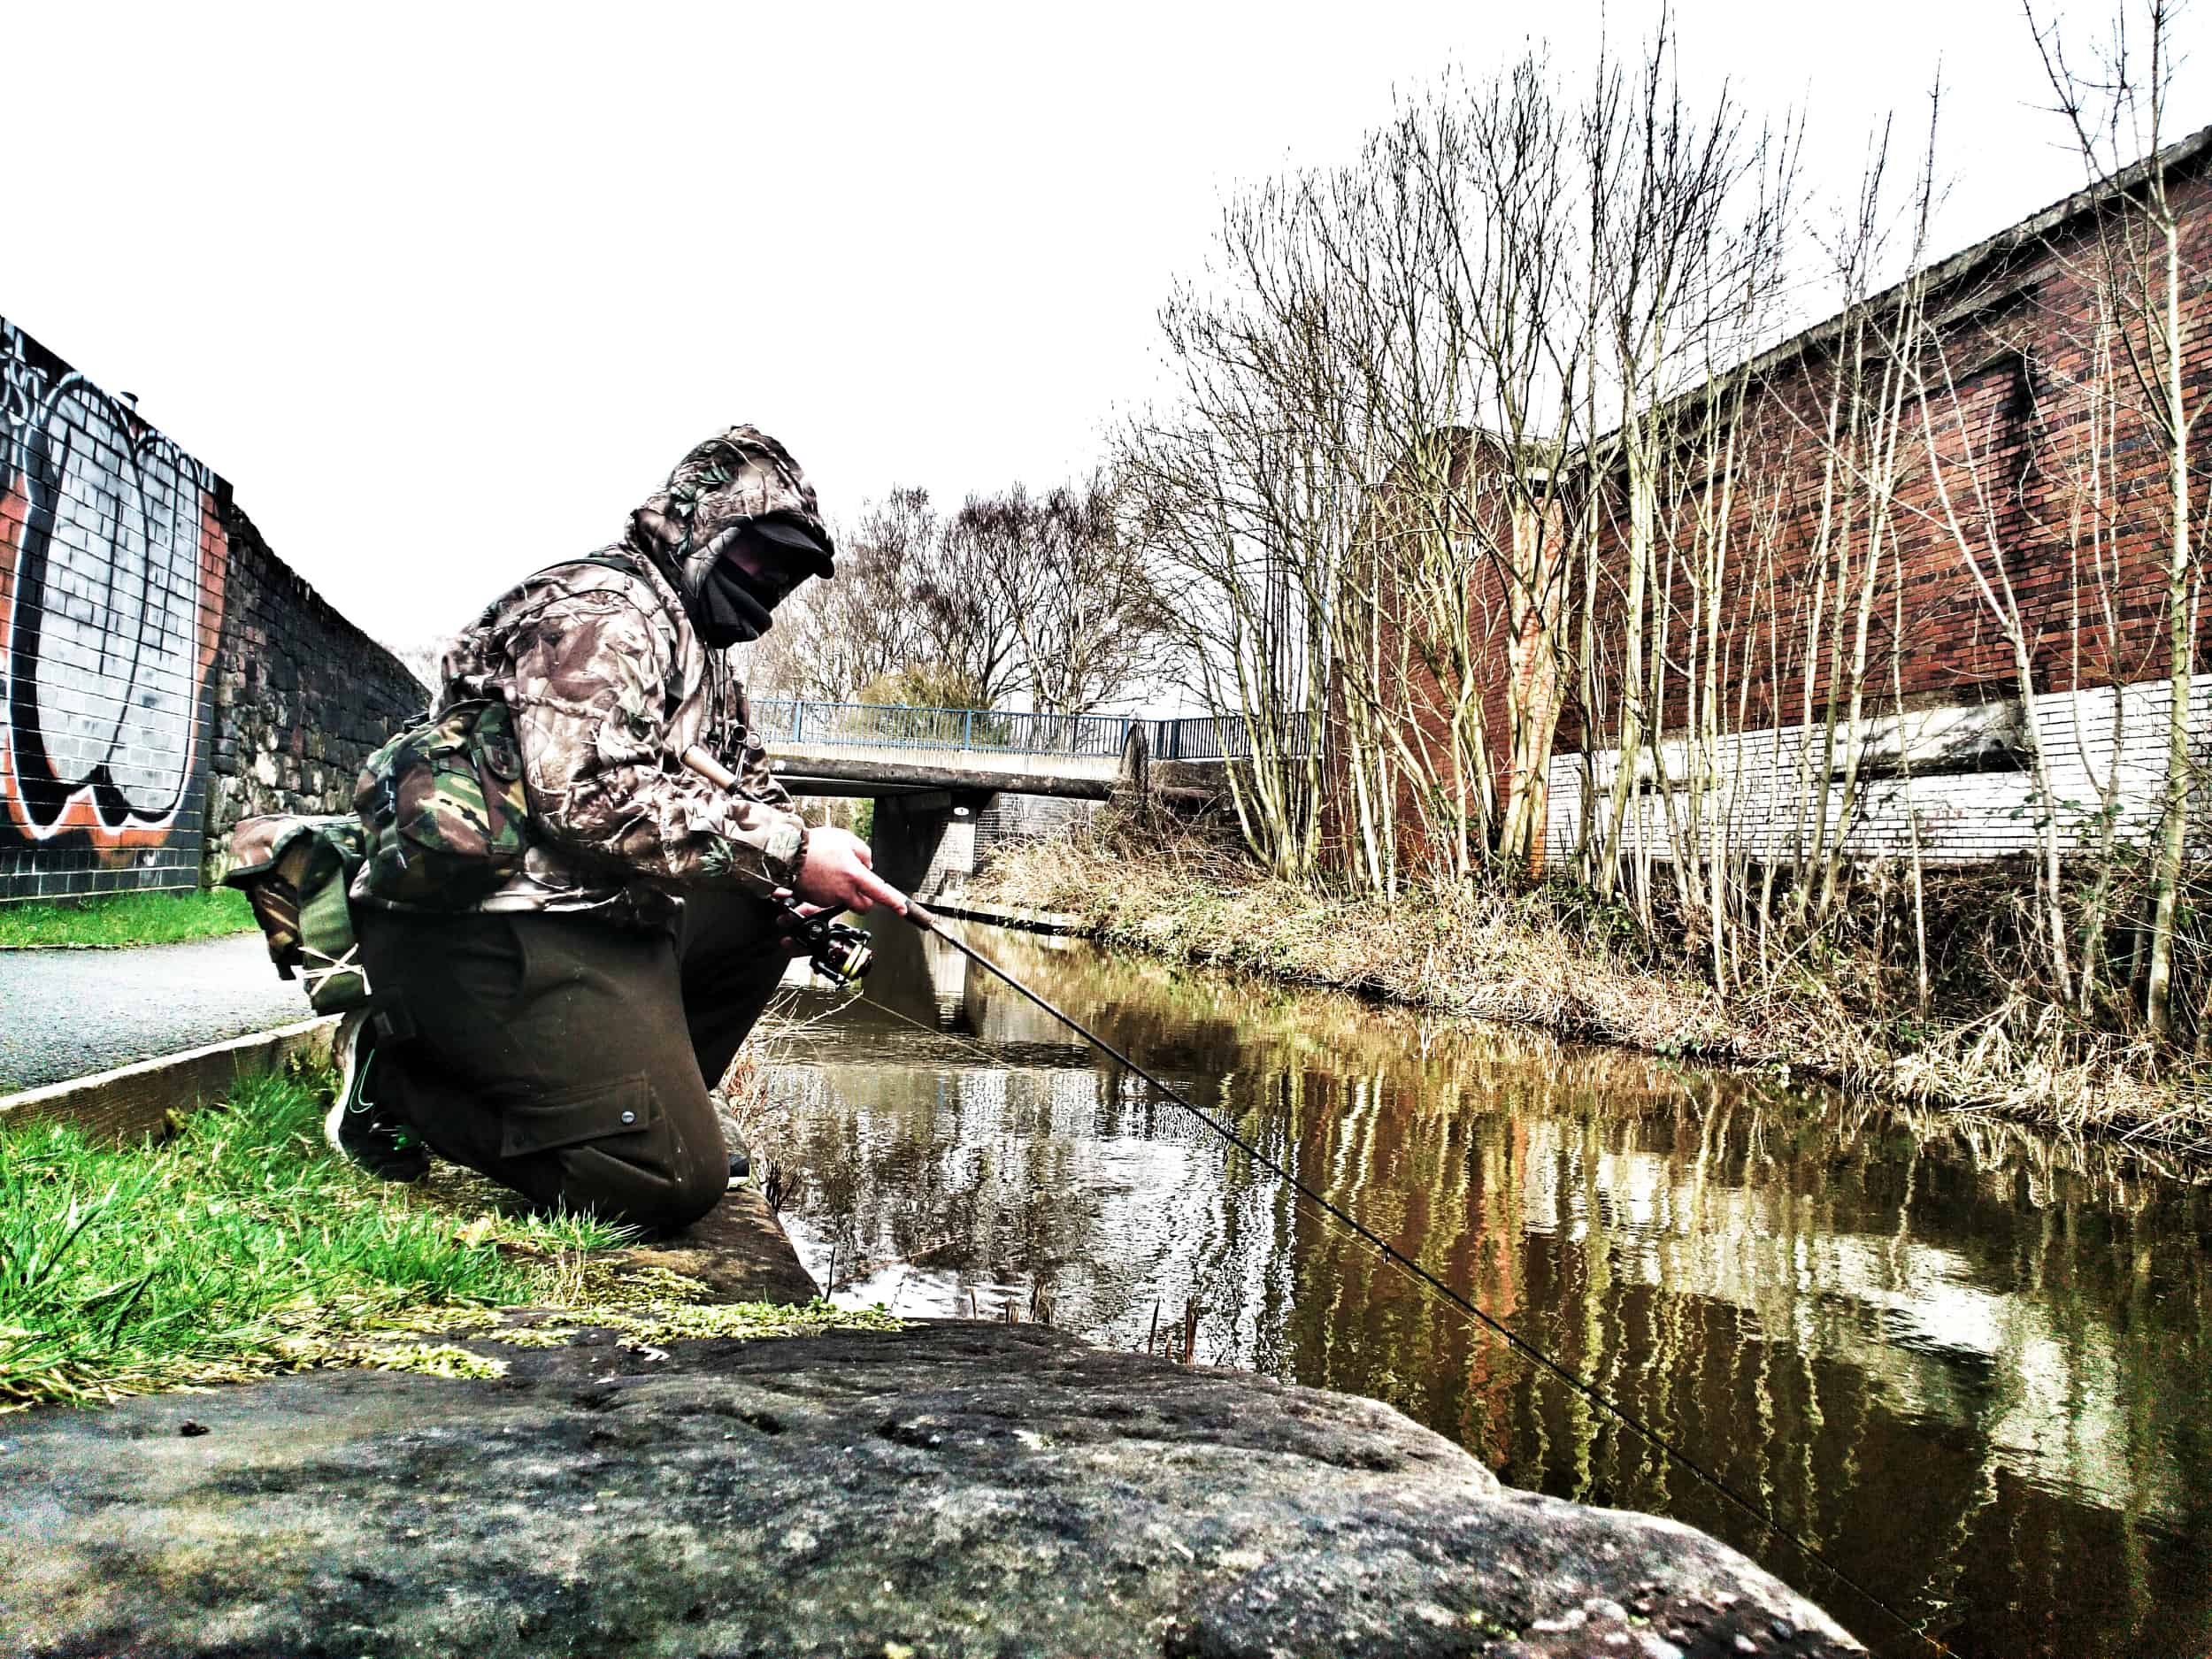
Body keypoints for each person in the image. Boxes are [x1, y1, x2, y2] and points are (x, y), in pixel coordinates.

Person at [329, 426, 903, 1233]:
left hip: (589, 909)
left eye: (788, 574)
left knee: (762, 911)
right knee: (673, 1181)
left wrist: (796, 865)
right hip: (492, 920)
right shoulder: (608, 611)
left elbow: (749, 789)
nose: (771, 587)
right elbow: (588, 798)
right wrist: (792, 852)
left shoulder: (701, 653)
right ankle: (402, 1084)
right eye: (760, 558)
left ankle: (631, 1105)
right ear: (703, 524)